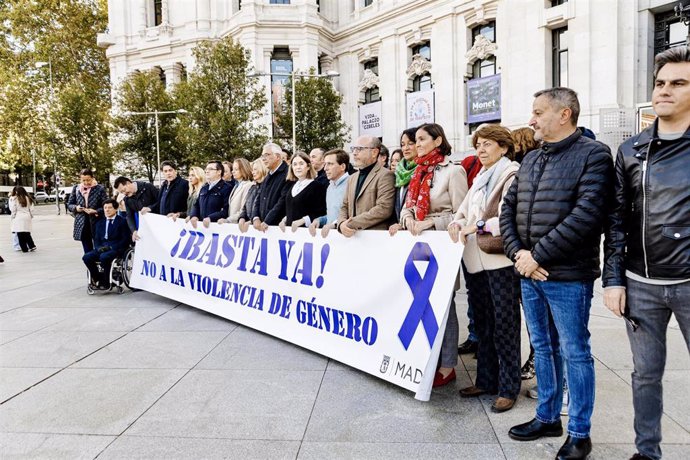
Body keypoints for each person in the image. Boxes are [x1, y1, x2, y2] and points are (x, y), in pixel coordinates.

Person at [500, 87, 614, 460]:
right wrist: (519, 254)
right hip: (529, 272)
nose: (531, 120)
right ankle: (547, 416)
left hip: (567, 275)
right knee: (544, 348)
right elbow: (508, 209)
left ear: (564, 114)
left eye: (538, 112)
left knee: (575, 351)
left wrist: (538, 255)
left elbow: (586, 216)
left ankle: (580, 432)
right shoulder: (533, 159)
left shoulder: (594, 155)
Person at [603, 46, 690, 460]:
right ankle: (646, 452)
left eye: (678, 83)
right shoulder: (631, 150)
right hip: (641, 284)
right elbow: (616, 220)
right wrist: (614, 278)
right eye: (660, 83)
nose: (665, 91)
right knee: (645, 376)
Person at [449, 124, 520, 412]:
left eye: (488, 144)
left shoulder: (511, 174)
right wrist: (456, 223)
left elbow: (507, 218)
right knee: (483, 322)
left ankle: (508, 386)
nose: (481, 149)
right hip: (474, 260)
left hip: (499, 260)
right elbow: (463, 209)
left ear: (503, 147)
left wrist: (472, 226)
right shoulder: (479, 176)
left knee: (505, 323)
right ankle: (486, 379)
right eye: (478, 144)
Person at [394, 123, 468, 389]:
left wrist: (431, 223)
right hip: (417, 248)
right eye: (417, 139)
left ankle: (448, 365)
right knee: (421, 304)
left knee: (443, 308)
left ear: (438, 141)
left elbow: (463, 214)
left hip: (442, 246)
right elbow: (406, 208)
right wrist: (407, 219)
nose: (418, 143)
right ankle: (426, 357)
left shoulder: (453, 171)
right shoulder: (418, 172)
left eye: (423, 139)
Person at [510, 126, 539, 381]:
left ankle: (534, 360)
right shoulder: (526, 167)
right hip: (523, 252)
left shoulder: (519, 167)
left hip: (527, 254)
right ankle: (534, 359)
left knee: (535, 318)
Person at [336, 136, 395, 236]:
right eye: (353, 149)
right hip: (352, 238)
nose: (354, 153)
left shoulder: (385, 175)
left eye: (359, 149)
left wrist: (351, 223)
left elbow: (383, 209)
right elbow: (344, 206)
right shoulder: (352, 178)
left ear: (374, 152)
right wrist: (341, 224)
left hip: (374, 239)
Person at [82, 199, 131, 289]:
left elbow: (125, 240)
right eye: (105, 208)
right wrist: (98, 248)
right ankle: (98, 278)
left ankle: (106, 282)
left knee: (104, 257)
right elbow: (96, 239)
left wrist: (111, 247)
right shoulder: (99, 223)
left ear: (116, 209)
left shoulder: (122, 221)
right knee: (87, 257)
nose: (107, 210)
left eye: (109, 208)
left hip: (116, 247)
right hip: (102, 248)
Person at [279, 151, 327, 231]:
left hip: (308, 235)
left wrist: (302, 221)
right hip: (291, 235)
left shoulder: (317, 186)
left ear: (308, 166)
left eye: (301, 163)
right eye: (295, 164)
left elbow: (321, 212)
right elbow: (294, 210)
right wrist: (284, 220)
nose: (298, 167)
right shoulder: (292, 187)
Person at [308, 148, 349, 236]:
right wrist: (319, 220)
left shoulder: (352, 184)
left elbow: (354, 215)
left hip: (349, 240)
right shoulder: (330, 187)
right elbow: (332, 216)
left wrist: (334, 225)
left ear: (342, 167)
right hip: (333, 239)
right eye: (325, 164)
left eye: (330, 164)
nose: (325, 168)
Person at [67, 169, 108, 253]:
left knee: (99, 247)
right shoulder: (76, 188)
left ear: (93, 178)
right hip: (82, 222)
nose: (86, 182)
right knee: (87, 250)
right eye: (83, 180)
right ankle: (91, 265)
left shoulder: (100, 189)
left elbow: (106, 205)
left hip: (97, 221)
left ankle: (101, 264)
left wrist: (96, 211)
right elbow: (70, 204)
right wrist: (76, 208)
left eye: (88, 180)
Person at [252, 142, 290, 232]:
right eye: (262, 156)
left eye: (267, 155)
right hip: (264, 228)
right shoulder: (267, 176)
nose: (263, 159)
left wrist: (267, 220)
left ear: (277, 156)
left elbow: (282, 201)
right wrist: (255, 217)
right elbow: (258, 198)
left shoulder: (288, 174)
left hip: (278, 229)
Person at [187, 160, 232, 228]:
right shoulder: (204, 187)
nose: (207, 171)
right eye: (206, 169)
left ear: (219, 172)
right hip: (201, 227)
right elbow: (196, 205)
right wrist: (194, 215)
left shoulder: (227, 188)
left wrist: (210, 218)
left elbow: (226, 210)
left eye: (210, 169)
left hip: (216, 227)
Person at [114, 176, 159, 241]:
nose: (124, 193)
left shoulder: (148, 187)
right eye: (122, 192)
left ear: (128, 183)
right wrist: (134, 231)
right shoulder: (127, 199)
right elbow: (129, 216)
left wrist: (150, 208)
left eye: (124, 190)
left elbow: (161, 202)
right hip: (146, 228)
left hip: (159, 224)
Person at [391, 128, 418, 225]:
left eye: (410, 143)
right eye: (402, 144)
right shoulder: (399, 172)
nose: (405, 148)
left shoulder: (424, 170)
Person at [238, 159, 268, 232]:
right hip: (249, 228)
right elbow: (245, 206)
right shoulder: (252, 188)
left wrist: (251, 221)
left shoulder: (267, 188)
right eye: (252, 170)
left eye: (255, 169)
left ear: (262, 169)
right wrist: (242, 218)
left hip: (261, 229)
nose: (252, 172)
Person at [220, 158, 253, 224]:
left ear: (243, 169)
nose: (233, 171)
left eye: (236, 169)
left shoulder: (248, 185)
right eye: (233, 169)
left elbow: (243, 209)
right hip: (232, 225)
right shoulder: (236, 185)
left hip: (239, 225)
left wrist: (228, 220)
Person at [9, 186, 36, 252]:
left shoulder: (15, 199)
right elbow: (32, 209)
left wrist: (12, 217)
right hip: (27, 216)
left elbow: (13, 209)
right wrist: (31, 216)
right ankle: (32, 245)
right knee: (27, 232)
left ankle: (24, 248)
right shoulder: (28, 198)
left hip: (18, 217)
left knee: (20, 234)